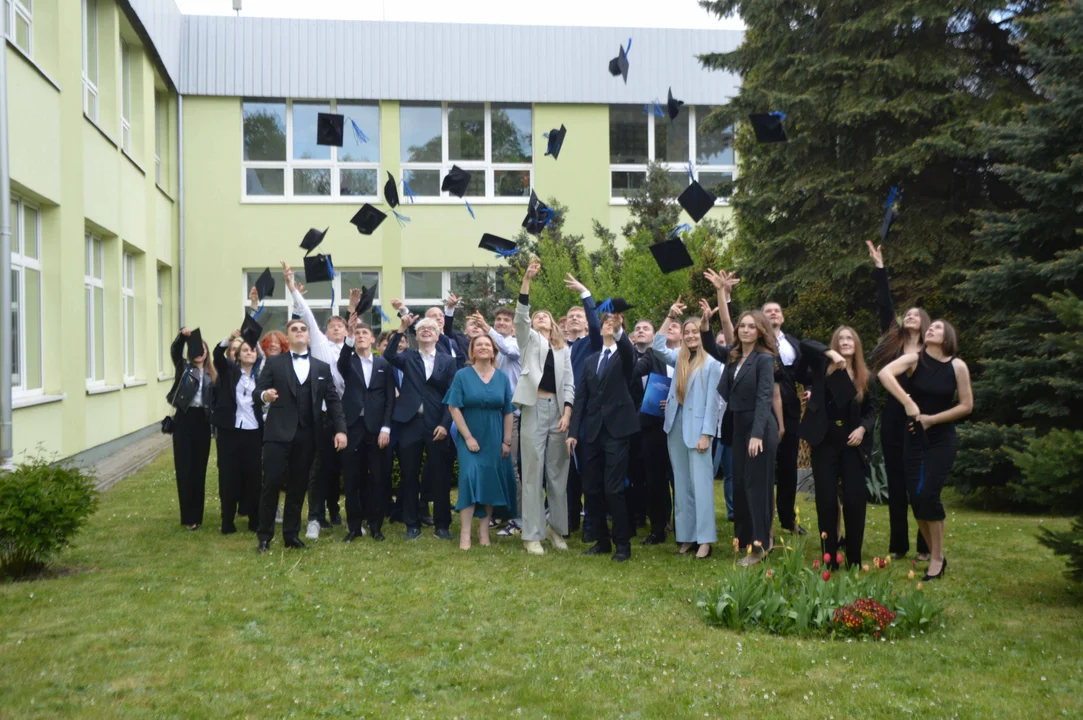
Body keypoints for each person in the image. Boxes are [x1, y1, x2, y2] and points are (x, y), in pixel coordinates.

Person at [878, 320, 973, 581]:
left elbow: (966, 406)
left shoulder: (957, 366)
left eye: (938, 328)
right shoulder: (914, 360)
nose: (931, 329)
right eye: (931, 327)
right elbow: (884, 374)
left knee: (929, 494)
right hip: (914, 437)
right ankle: (935, 554)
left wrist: (932, 419)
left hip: (942, 439)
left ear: (948, 337)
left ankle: (937, 558)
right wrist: (907, 402)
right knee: (916, 498)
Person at [253, 318, 347, 553]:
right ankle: (264, 536)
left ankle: (291, 535)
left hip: (308, 435)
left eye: (303, 329)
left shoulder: (321, 367)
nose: (299, 332)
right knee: (272, 483)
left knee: (298, 487)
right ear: (288, 336)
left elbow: (333, 401)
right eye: (294, 329)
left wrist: (341, 430)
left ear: (309, 336)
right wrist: (265, 395)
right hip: (277, 433)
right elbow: (258, 391)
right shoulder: (274, 363)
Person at [867, 241, 932, 560]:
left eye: (916, 315)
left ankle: (925, 546)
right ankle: (898, 546)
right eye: (907, 314)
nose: (910, 317)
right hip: (894, 417)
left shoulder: (932, 352)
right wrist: (880, 268)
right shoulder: (893, 343)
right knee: (895, 483)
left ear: (926, 324)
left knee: (919, 483)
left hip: (920, 419)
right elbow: (885, 305)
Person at [282, 262, 350, 539]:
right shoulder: (320, 345)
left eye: (340, 326)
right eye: (331, 325)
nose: (336, 329)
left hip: (346, 415)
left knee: (340, 468)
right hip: (321, 415)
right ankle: (316, 516)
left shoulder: (353, 349)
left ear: (346, 330)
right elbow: (308, 316)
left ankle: (338, 512)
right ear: (325, 330)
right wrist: (292, 288)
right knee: (318, 467)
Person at [799, 327, 877, 569]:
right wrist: (830, 354)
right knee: (826, 502)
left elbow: (871, 410)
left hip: (852, 444)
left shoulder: (866, 376)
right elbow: (804, 343)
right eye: (840, 339)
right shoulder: (823, 367)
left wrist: (863, 429)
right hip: (825, 442)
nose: (845, 341)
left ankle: (854, 559)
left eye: (849, 338)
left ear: (857, 344)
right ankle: (829, 558)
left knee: (854, 501)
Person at [513, 259, 576, 556]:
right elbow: (520, 317)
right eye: (537, 316)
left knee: (557, 473)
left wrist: (567, 413)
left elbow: (569, 384)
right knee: (533, 471)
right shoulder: (528, 342)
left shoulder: (564, 351)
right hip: (533, 408)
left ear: (553, 325)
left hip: (558, 412)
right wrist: (527, 280)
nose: (540, 318)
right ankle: (532, 534)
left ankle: (556, 529)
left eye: (545, 317)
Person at [708, 308, 779, 565]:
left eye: (751, 326)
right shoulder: (734, 356)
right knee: (740, 485)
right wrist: (705, 325)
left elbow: (764, 397)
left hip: (759, 427)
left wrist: (757, 434)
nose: (746, 330)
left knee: (756, 487)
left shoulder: (764, 359)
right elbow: (710, 348)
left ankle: (760, 547)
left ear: (760, 331)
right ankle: (746, 540)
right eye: (743, 326)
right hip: (738, 426)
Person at [653, 299, 723, 559]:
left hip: (699, 430)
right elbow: (658, 346)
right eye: (687, 332)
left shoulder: (712, 363)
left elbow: (713, 403)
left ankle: (705, 540)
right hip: (675, 427)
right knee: (681, 485)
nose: (691, 336)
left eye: (695, 332)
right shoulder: (679, 358)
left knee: (701, 486)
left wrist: (707, 434)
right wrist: (670, 317)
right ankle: (687, 536)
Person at [569, 311, 638, 562]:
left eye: (613, 324)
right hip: (593, 431)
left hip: (618, 431)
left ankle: (622, 544)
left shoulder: (625, 355)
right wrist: (573, 433)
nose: (608, 325)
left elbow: (628, 350)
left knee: (614, 489)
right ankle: (602, 541)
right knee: (591, 488)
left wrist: (619, 330)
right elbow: (580, 398)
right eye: (605, 323)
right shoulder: (590, 361)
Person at [383, 314, 457, 540]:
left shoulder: (448, 361)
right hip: (410, 422)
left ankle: (442, 525)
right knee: (409, 475)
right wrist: (401, 329)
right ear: (416, 336)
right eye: (422, 328)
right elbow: (388, 355)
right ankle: (412, 524)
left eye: (431, 328)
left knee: (440, 476)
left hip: (437, 424)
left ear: (437, 336)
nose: (426, 330)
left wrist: (445, 424)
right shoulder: (408, 356)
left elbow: (452, 395)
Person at [444, 334, 517, 550]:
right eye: (479, 345)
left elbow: (508, 411)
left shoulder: (502, 377)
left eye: (488, 345)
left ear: (494, 351)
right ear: (472, 351)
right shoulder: (462, 375)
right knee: (469, 477)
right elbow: (453, 407)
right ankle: (465, 533)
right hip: (470, 435)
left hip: (495, 436)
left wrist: (506, 441)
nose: (484, 347)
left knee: (490, 481)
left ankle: (484, 530)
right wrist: (467, 437)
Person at [336, 320, 394, 542]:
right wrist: (349, 336)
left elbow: (389, 398)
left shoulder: (383, 364)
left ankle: (376, 526)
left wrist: (386, 427)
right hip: (352, 427)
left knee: (377, 478)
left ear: (372, 339)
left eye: (364, 333)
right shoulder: (348, 361)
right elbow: (342, 361)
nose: (360, 336)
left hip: (376, 428)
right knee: (352, 478)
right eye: (357, 333)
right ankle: (353, 526)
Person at [471, 308, 523, 535]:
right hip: (489, 415)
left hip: (511, 414)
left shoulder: (517, 343)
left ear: (513, 325)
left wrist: (486, 328)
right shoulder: (491, 345)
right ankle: (497, 513)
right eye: (498, 319)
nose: (501, 322)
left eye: (506, 320)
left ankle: (518, 518)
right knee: (491, 466)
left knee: (510, 466)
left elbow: (507, 349)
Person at [562, 275, 604, 537]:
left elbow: (597, 326)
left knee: (589, 471)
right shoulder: (558, 347)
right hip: (560, 415)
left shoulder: (592, 343)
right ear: (564, 324)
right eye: (571, 316)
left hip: (586, 415)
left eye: (579, 315)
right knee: (566, 473)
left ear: (586, 323)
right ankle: (568, 521)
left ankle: (591, 524)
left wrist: (585, 294)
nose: (575, 318)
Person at [212, 329, 264, 534]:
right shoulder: (229, 372)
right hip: (230, 432)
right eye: (245, 350)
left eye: (252, 350)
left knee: (253, 477)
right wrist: (231, 338)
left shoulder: (261, 377)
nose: (249, 352)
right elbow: (217, 354)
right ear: (237, 355)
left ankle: (254, 519)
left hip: (253, 432)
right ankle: (227, 521)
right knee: (228, 477)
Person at [761, 299, 806, 536]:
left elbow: (806, 372)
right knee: (765, 468)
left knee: (788, 466)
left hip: (790, 410)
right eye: (768, 311)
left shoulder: (794, 344)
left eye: (777, 310)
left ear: (783, 317)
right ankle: (763, 520)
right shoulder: (757, 343)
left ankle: (788, 519)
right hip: (764, 409)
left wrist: (810, 388)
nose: (773, 313)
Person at [167, 328, 216, 530]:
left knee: (199, 469)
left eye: (203, 349)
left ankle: (198, 514)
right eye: (196, 348)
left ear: (207, 353)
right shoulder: (184, 369)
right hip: (184, 420)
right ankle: (188, 517)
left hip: (203, 422)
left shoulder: (212, 375)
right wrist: (183, 337)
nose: (199, 352)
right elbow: (175, 350)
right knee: (184, 468)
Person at [631, 318, 674, 544]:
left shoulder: (679, 357)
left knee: (674, 477)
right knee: (651, 477)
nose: (640, 331)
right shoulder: (644, 356)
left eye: (645, 328)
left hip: (674, 424)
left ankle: (676, 523)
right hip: (646, 424)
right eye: (637, 328)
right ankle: (655, 525)